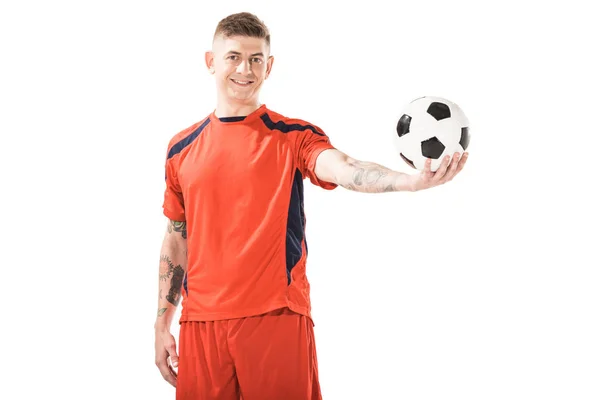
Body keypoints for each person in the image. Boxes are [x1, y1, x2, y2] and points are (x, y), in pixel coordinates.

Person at [154, 11, 468, 400]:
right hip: (201, 323)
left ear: (269, 67)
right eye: (233, 56)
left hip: (275, 318)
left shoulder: (291, 137)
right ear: (211, 61)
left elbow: (345, 168)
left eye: (255, 59)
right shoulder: (181, 149)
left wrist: (408, 181)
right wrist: (162, 324)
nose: (245, 69)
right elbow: (176, 237)